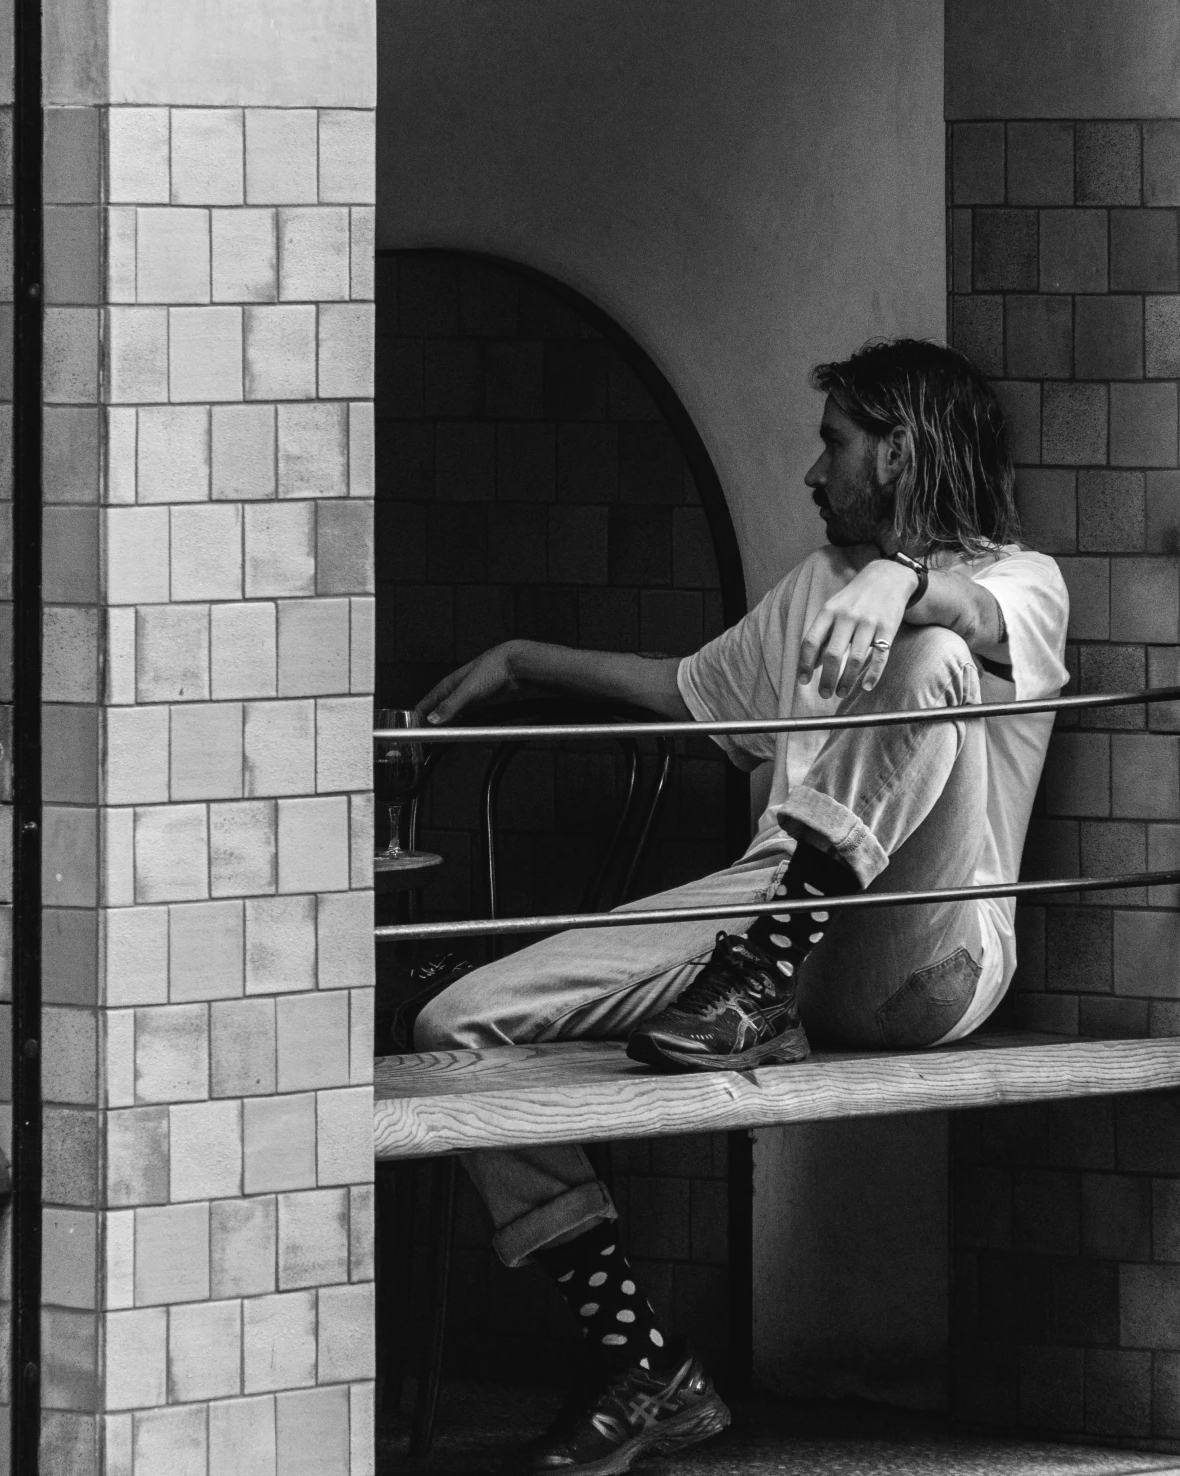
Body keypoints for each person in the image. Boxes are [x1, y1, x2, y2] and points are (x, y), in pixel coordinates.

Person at [410, 338, 1071, 1475]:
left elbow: (961, 616)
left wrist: (905, 581)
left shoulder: (1023, 581)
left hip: (921, 949)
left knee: (929, 660)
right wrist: (521, 658)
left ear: (900, 450)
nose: (812, 474)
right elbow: (686, 688)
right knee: (453, 1027)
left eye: (834, 444)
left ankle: (763, 969)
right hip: (760, 924)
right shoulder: (812, 588)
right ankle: (643, 1369)